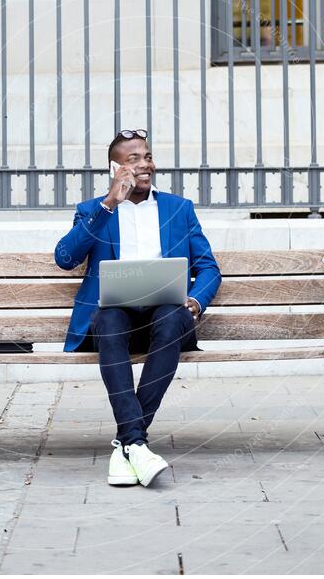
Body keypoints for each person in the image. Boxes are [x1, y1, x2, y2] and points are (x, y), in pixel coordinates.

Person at [54, 129, 221, 487]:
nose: (145, 165)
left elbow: (208, 267)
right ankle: (135, 443)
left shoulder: (179, 208)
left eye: (147, 156)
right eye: (134, 159)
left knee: (170, 315)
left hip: (167, 316)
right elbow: (65, 258)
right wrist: (108, 204)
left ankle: (129, 442)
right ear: (115, 168)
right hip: (115, 317)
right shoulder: (93, 210)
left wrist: (196, 301)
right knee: (110, 317)